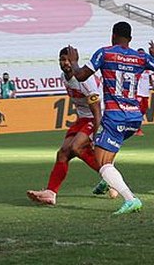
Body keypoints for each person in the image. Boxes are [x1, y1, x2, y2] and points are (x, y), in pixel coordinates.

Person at [67, 21, 154, 215]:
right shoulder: (140, 57)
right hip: (134, 117)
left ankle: (130, 199)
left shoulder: (105, 53)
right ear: (130, 39)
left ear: (113, 35)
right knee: (106, 150)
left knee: (101, 161)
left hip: (115, 116)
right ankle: (106, 182)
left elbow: (81, 76)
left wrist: (74, 61)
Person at [27, 47, 103, 206]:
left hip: (96, 117)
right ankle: (51, 193)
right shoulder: (64, 77)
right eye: (62, 59)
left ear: (75, 60)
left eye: (68, 59)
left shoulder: (85, 79)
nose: (65, 63)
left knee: (76, 147)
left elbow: (96, 109)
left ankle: (108, 174)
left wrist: (97, 134)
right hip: (82, 118)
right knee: (62, 153)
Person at [134, 47, 154, 137]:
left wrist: (152, 84)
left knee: (143, 111)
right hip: (138, 92)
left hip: (145, 93)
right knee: (138, 111)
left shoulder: (147, 66)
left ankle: (137, 128)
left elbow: (150, 76)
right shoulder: (135, 66)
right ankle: (137, 129)